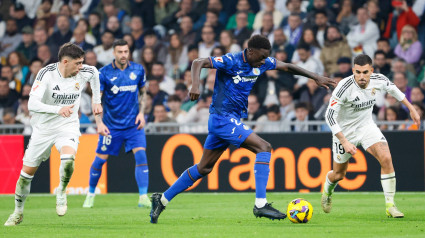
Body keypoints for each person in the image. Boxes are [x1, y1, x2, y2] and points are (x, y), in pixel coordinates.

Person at [149, 34, 335, 223]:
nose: (264, 61)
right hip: (222, 119)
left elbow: (287, 66)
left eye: (266, 57)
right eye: (261, 56)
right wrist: (195, 85)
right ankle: (260, 204)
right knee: (264, 148)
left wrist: (315, 77)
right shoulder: (231, 60)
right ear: (250, 51)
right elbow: (198, 62)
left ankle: (161, 199)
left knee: (204, 168)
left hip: (229, 120)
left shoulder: (261, 62)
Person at [4, 43, 102, 226]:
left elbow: (95, 74)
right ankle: (18, 212)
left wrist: (97, 100)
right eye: (78, 63)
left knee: (68, 160)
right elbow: (32, 104)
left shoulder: (84, 72)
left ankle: (61, 191)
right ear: (65, 61)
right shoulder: (46, 74)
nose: (81, 67)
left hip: (68, 125)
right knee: (25, 175)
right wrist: (58, 109)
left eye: (82, 63)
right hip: (43, 129)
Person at [322, 54, 421, 218]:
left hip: (366, 126)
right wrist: (344, 141)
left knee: (386, 158)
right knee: (339, 174)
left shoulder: (379, 79)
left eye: (365, 72)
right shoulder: (343, 87)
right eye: (358, 72)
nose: (361, 76)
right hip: (344, 132)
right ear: (353, 70)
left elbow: (395, 90)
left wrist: (412, 108)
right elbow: (329, 116)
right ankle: (327, 188)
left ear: (371, 71)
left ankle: (390, 205)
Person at [82, 39, 150, 209]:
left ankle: (143, 197)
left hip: (133, 125)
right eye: (120, 52)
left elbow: (143, 92)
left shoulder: (138, 70)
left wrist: (141, 113)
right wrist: (99, 123)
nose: (123, 55)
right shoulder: (103, 73)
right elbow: (96, 99)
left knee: (141, 156)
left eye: (126, 51)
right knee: (99, 161)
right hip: (111, 126)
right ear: (114, 53)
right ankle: (90, 194)